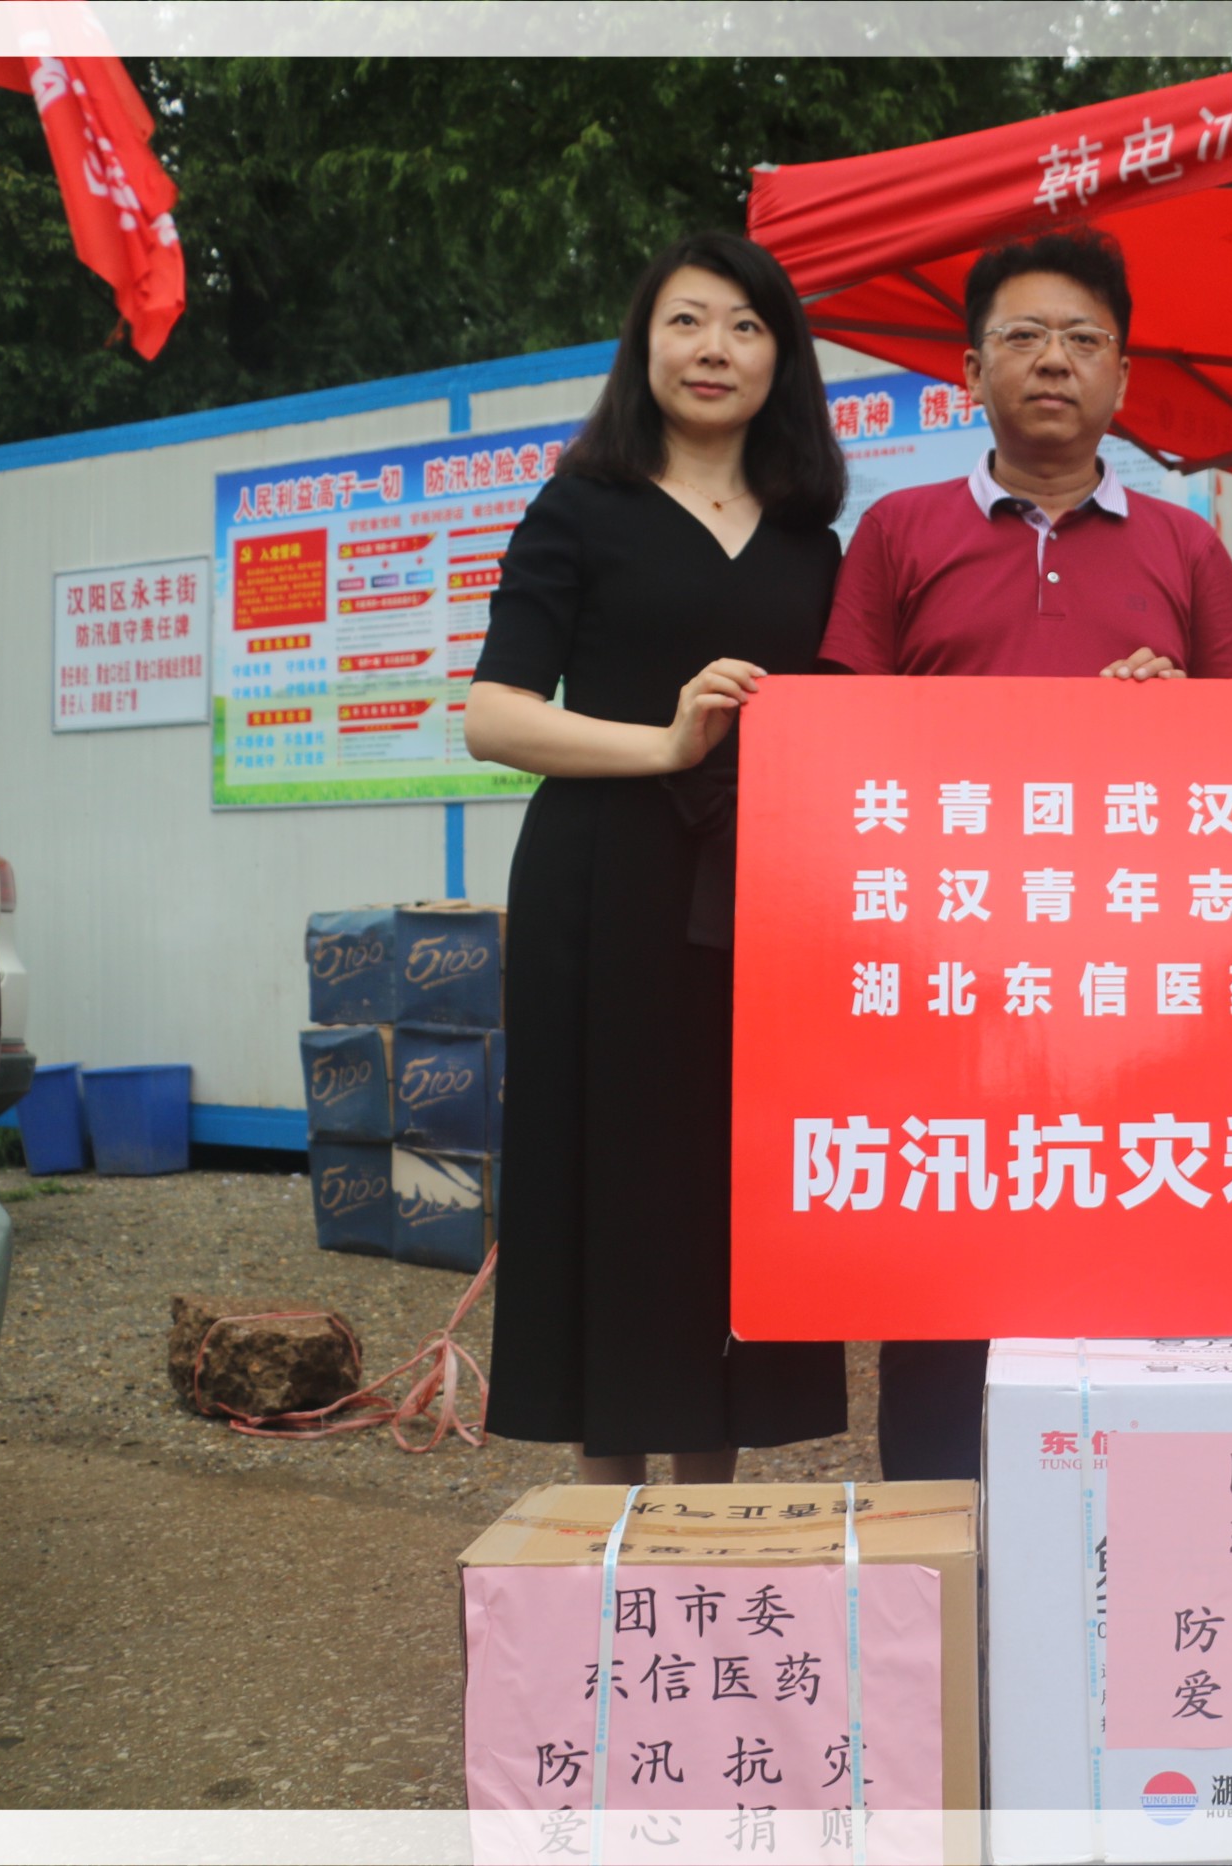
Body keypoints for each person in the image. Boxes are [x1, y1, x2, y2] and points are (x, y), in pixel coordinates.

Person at [820, 225, 1232, 1483]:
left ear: (1122, 377)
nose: (1054, 360)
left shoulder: (1182, 545)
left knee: (1126, 1252)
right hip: (948, 977)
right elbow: (838, 746)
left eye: (1084, 339)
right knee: (941, 1267)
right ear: (970, 371)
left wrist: (1178, 718)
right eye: (1022, 336)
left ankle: (1116, 1534)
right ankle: (937, 1538)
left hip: (1135, 984)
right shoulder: (897, 533)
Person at [465, 231, 851, 1483]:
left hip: (765, 898)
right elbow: (493, 718)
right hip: (602, 887)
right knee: (617, 1189)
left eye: (745, 325)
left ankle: (710, 1530)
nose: (713, 349)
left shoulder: (810, 538)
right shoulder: (581, 506)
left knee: (732, 1192)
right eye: (686, 321)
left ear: (780, 358)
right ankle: (613, 1527)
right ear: (643, 347)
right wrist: (667, 743)